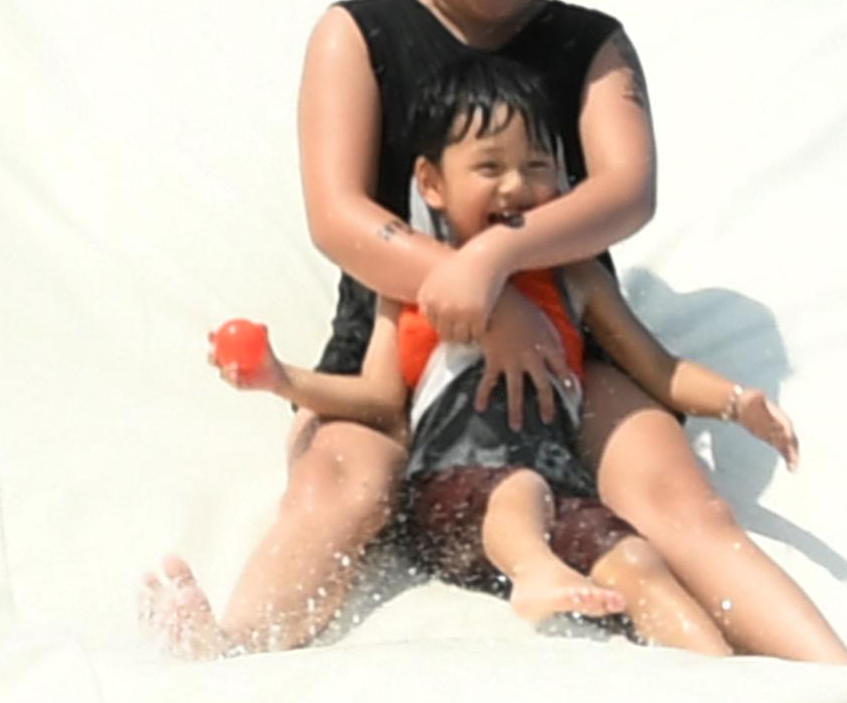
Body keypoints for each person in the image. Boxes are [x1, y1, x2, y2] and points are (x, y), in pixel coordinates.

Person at [146, 0, 847, 662]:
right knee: (344, 485)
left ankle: (833, 686)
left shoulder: (589, 44)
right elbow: (338, 215)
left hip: (566, 344)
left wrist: (504, 262)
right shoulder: (359, 34)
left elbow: (627, 190)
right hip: (392, 332)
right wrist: (469, 297)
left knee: (680, 500)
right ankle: (233, 650)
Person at [206, 53, 801, 653]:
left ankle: (724, 681)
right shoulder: (410, 291)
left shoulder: (575, 282)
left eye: (536, 166)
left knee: (641, 565)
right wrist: (283, 379)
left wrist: (735, 401)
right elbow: (377, 400)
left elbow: (660, 369)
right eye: (489, 167)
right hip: (452, 494)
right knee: (518, 490)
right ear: (433, 184)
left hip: (559, 493)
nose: (516, 186)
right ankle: (532, 574)